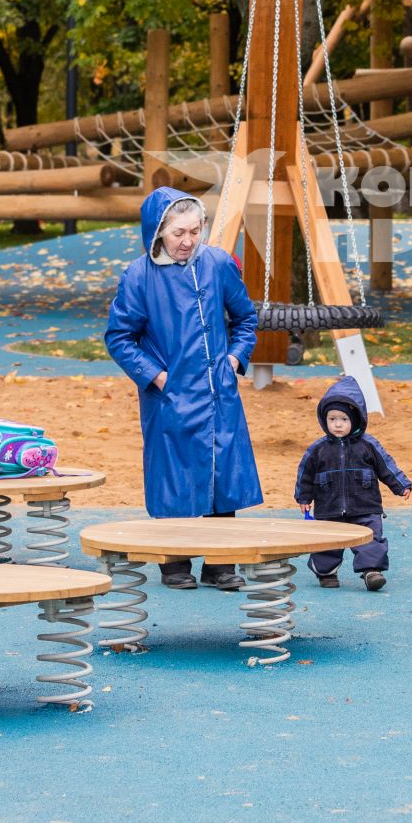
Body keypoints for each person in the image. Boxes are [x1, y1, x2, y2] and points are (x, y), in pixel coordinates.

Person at [105, 186, 259, 591]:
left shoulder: (219, 264)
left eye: (195, 230)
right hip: (170, 395)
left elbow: (245, 318)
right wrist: (157, 377)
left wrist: (234, 359)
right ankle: (174, 562)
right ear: (159, 232)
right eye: (179, 233)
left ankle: (221, 562)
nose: (188, 241)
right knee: (173, 473)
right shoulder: (139, 275)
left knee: (221, 471)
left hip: (217, 391)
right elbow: (120, 337)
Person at [295, 373, 411, 592]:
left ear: (355, 420)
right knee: (327, 542)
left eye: (344, 419)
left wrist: (401, 485)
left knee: (370, 538)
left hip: (365, 505)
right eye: (332, 419)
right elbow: (305, 475)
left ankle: (372, 571)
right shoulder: (317, 450)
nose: (337, 424)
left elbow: (386, 467)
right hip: (329, 506)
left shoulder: (368, 445)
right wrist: (303, 497)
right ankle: (326, 572)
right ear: (324, 420)